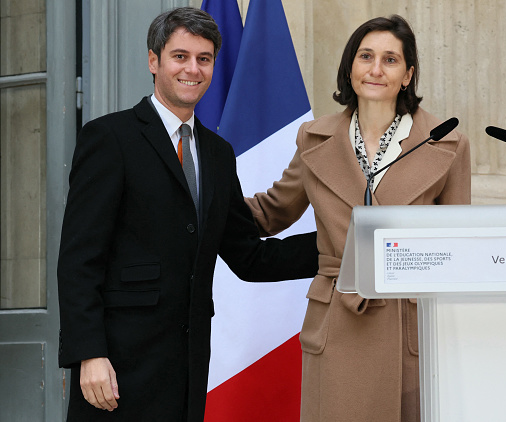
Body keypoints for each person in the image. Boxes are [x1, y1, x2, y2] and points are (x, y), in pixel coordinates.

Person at [57, 7, 318, 421]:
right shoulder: (109, 138)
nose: (192, 69)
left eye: (204, 58)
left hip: (189, 365)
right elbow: (79, 261)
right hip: (118, 367)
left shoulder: (218, 153)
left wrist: (339, 246)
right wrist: (89, 354)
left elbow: (248, 257)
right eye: (180, 56)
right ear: (153, 60)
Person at [245, 15, 471, 422]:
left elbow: (457, 252)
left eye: (390, 60)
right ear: (350, 66)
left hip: (408, 327)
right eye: (366, 56)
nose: (376, 69)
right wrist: (199, 193)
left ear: (408, 75)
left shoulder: (447, 143)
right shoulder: (314, 138)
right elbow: (270, 212)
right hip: (336, 320)